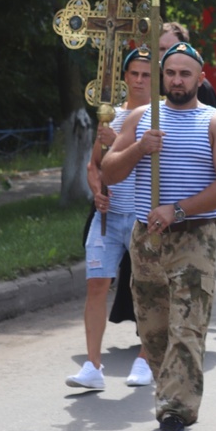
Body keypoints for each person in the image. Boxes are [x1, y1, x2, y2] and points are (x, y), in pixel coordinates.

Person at [101, 42, 216, 431]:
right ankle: (170, 393)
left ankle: (175, 414)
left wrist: (178, 210)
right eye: (171, 73)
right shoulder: (143, 118)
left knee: (187, 326)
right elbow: (109, 170)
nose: (177, 79)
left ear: (201, 78)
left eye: (185, 73)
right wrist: (139, 148)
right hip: (147, 237)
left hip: (194, 237)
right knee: (153, 327)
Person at [66, 48, 155, 390]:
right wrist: (96, 192)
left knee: (147, 287)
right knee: (96, 285)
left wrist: (117, 142)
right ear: (125, 77)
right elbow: (95, 166)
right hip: (110, 216)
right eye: (133, 73)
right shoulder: (111, 114)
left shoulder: (160, 117)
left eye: (146, 75)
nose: (139, 80)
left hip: (144, 216)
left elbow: (148, 161)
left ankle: (145, 360)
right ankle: (92, 366)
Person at [159, 22, 216, 109]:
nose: (166, 53)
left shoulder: (201, 86)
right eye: (161, 49)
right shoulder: (145, 79)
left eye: (172, 48)